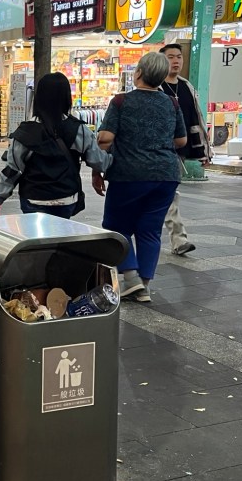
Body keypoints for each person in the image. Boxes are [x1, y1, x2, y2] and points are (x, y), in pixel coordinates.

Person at [93, 52, 187, 303]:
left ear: (139, 73)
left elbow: (105, 139)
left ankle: (131, 277)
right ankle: (143, 286)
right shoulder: (172, 103)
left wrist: (97, 168)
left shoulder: (122, 101)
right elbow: (181, 140)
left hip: (129, 174)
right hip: (166, 176)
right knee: (150, 230)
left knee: (116, 227)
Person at [0, 72, 111, 219]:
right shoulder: (79, 129)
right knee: (61, 231)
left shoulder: (25, 132)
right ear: (66, 97)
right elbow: (100, 161)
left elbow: (12, 169)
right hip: (66, 198)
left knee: (35, 233)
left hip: (33, 198)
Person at [159, 43, 213, 256]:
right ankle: (178, 238)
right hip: (158, 149)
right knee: (167, 193)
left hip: (178, 149)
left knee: (167, 193)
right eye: (171, 57)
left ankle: (175, 238)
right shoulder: (155, 86)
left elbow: (196, 119)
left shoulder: (186, 86)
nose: (176, 61)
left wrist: (203, 151)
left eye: (179, 57)